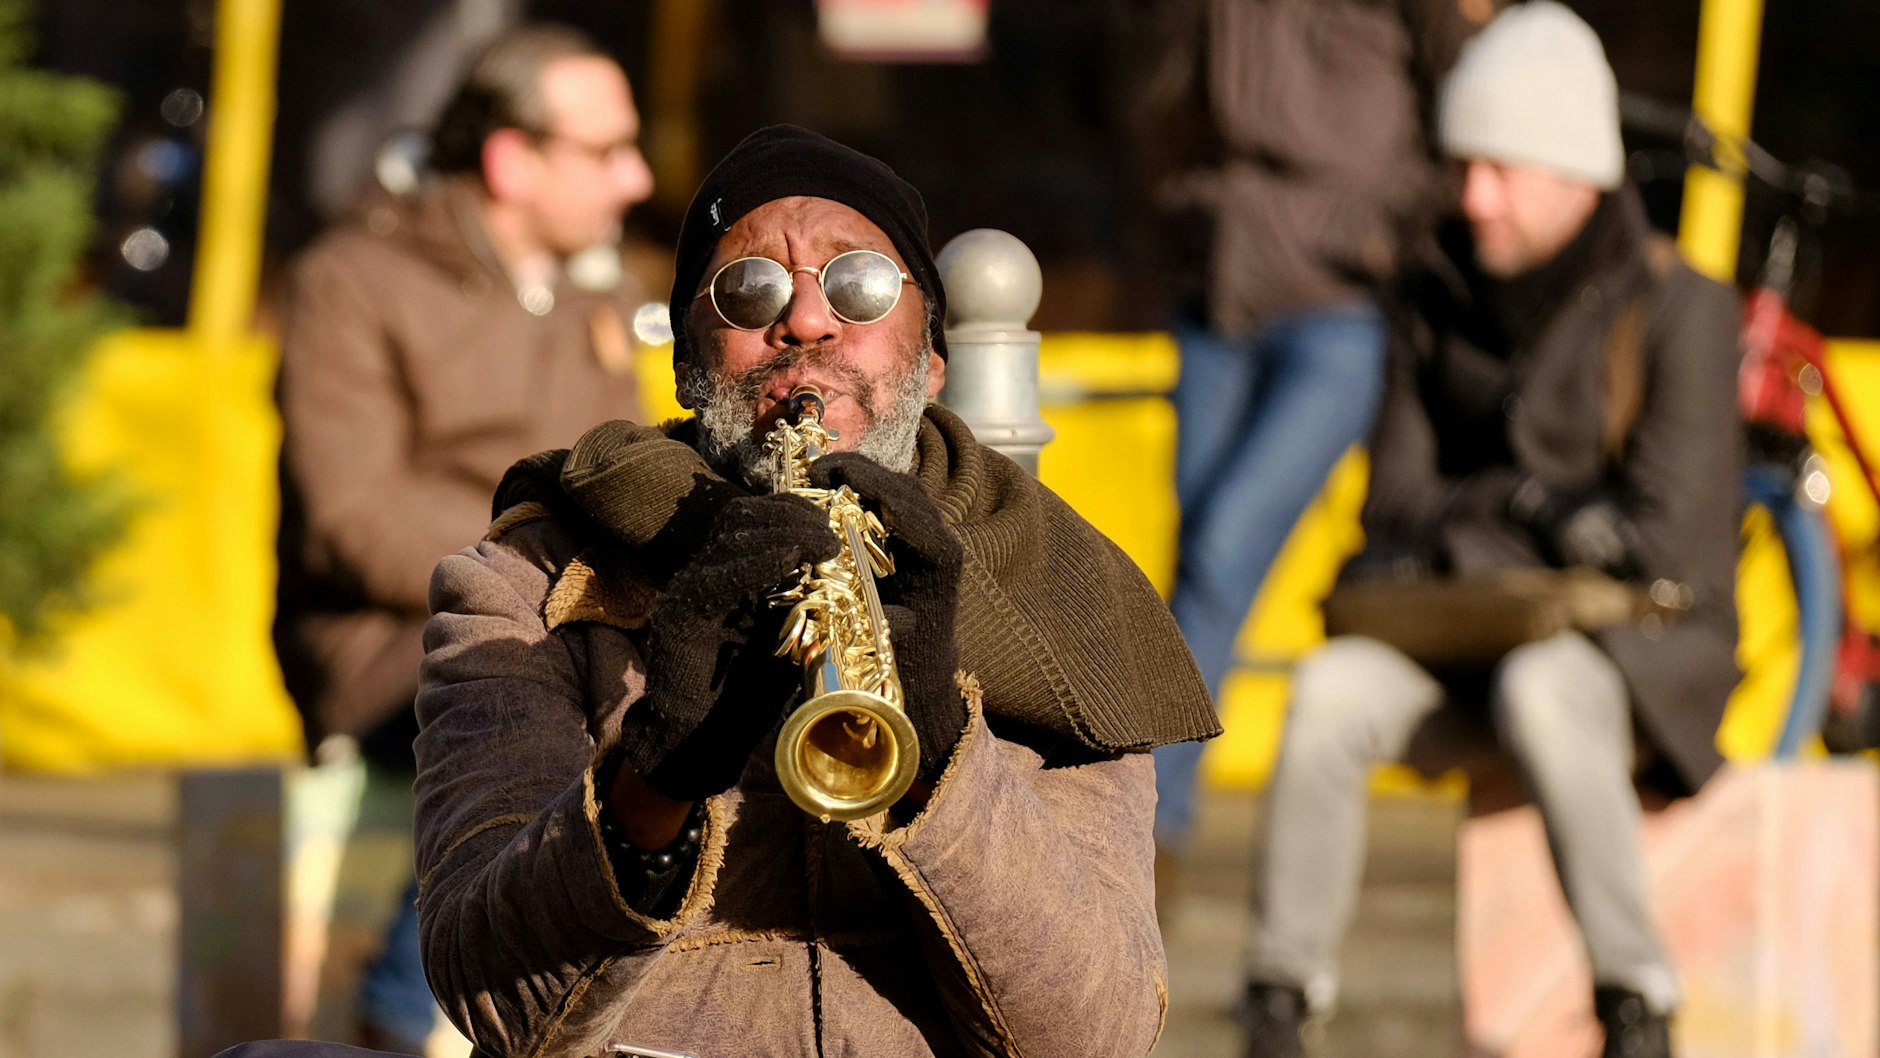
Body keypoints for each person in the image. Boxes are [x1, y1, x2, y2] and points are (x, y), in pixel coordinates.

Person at [400, 124, 1220, 1058]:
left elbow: (1096, 1035)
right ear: (685, 359)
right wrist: (651, 782)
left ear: (933, 357)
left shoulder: (1060, 597)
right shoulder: (531, 581)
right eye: (749, 290)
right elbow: (492, 999)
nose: (806, 322)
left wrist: (944, 756)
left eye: (858, 285)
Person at [1242, 5, 1741, 1058]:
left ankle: (1634, 1000)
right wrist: (1530, 509)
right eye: (1462, 166)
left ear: (1574, 173)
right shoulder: (1428, 296)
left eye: (1499, 171)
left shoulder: (1677, 307)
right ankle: (1278, 999)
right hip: (1459, 638)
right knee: (1327, 694)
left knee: (1546, 689)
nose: (1471, 199)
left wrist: (1471, 517)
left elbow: (1668, 544)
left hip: (1628, 652)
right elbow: (1391, 502)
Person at [272, 24, 652, 1053]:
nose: (638, 176)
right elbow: (354, 519)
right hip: (386, 635)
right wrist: (541, 584)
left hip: (569, 612)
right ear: (511, 158)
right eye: (606, 149)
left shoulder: (599, 291)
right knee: (573, 694)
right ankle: (406, 1012)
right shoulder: (352, 277)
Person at [1137, 0, 1484, 865]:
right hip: (1218, 290)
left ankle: (1151, 827)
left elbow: (1472, 87)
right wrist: (1181, 199)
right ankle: (1151, 818)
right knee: (1195, 561)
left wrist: (1388, 226)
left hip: (1341, 307)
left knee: (1224, 547)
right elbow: (1156, 81)